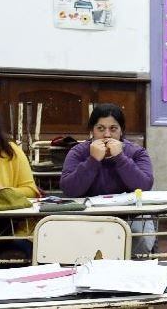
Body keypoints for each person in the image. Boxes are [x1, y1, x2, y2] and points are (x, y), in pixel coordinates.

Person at [60, 103, 155, 255]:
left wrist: (120, 158)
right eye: (100, 129)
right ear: (91, 131)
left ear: (121, 131)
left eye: (113, 129)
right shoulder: (78, 152)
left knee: (139, 239)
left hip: (130, 216)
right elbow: (69, 189)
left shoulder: (137, 152)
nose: (107, 135)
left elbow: (144, 185)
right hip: (89, 217)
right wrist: (92, 160)